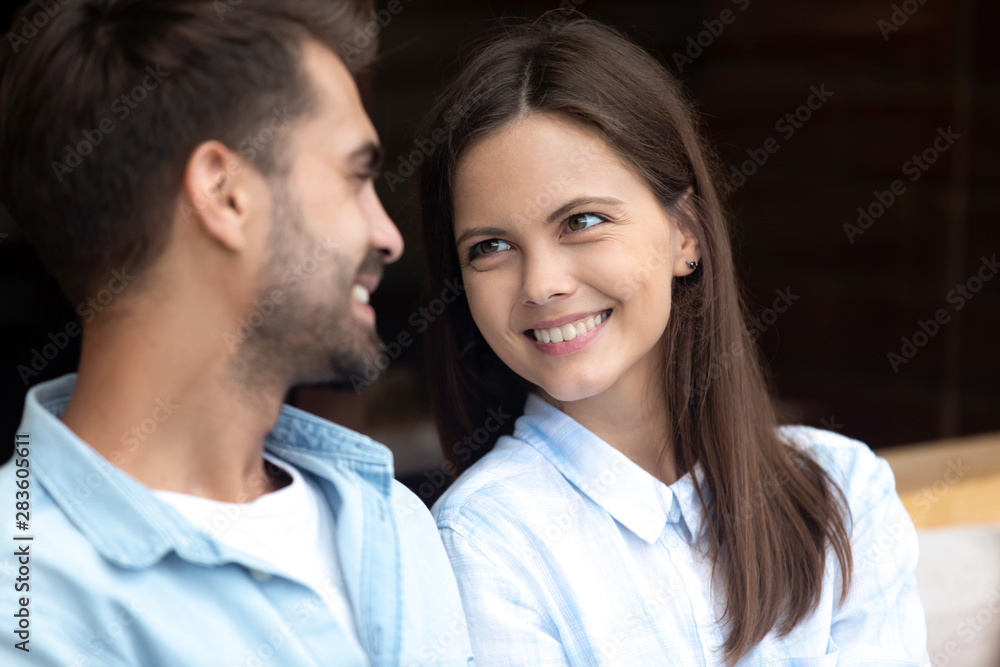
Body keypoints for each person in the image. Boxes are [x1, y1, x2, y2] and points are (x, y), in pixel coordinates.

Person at [419, 14, 929, 666]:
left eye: (582, 221)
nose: (541, 284)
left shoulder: (842, 492)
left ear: (685, 231)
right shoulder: (483, 544)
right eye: (490, 246)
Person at [0, 1, 472, 665]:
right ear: (224, 194)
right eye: (355, 175)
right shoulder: (29, 601)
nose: (389, 236)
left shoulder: (392, 521)